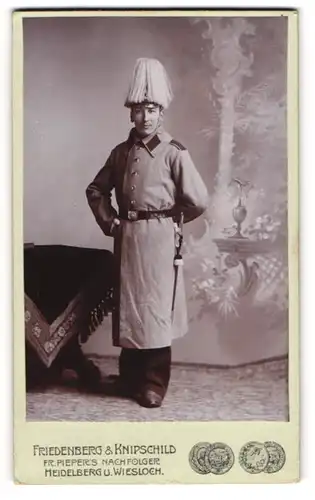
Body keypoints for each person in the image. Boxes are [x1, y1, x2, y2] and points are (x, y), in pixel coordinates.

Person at [86, 58, 208, 408]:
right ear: (130, 113)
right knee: (130, 309)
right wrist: (110, 222)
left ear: (162, 112)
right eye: (139, 110)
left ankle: (154, 382)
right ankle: (129, 379)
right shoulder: (120, 153)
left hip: (158, 241)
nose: (145, 117)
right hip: (127, 239)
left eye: (151, 109)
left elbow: (198, 200)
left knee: (155, 312)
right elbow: (96, 190)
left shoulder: (173, 153)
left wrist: (171, 223)